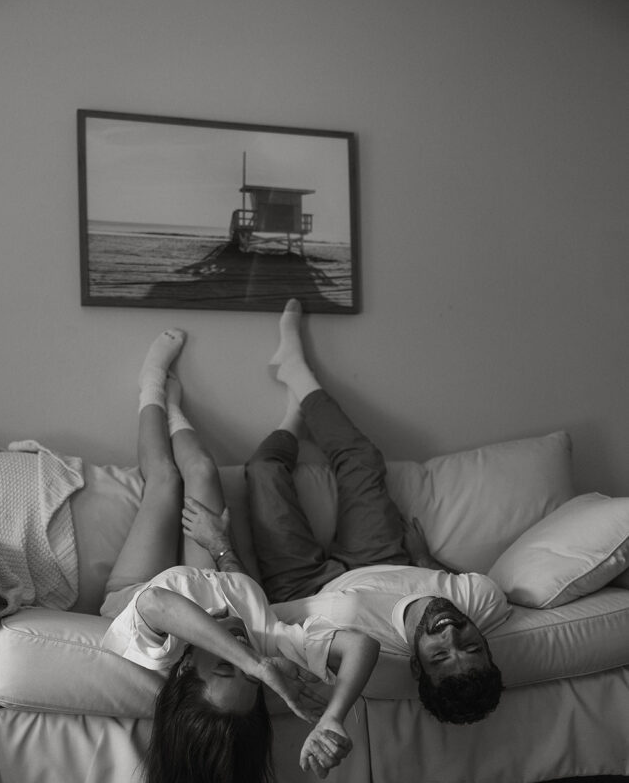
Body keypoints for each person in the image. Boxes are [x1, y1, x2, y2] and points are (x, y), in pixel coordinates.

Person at [99, 329, 380, 783]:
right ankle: (179, 404)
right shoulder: (266, 644)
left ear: (185, 676)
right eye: (248, 677)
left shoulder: (161, 644)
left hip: (142, 587)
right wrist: (331, 714)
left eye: (222, 663)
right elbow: (361, 643)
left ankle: (151, 384)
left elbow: (157, 605)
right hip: (216, 568)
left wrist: (252, 663)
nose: (239, 648)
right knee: (203, 468)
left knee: (170, 481)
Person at [186, 300, 508, 728]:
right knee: (361, 457)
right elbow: (463, 591)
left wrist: (222, 546)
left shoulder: (362, 643)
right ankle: (298, 374)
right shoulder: (485, 601)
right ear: (486, 644)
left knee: (264, 470)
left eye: (440, 655)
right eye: (472, 647)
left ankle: (292, 416)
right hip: (384, 558)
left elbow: (256, 617)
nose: (451, 635)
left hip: (304, 586)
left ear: (416, 664)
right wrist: (427, 561)